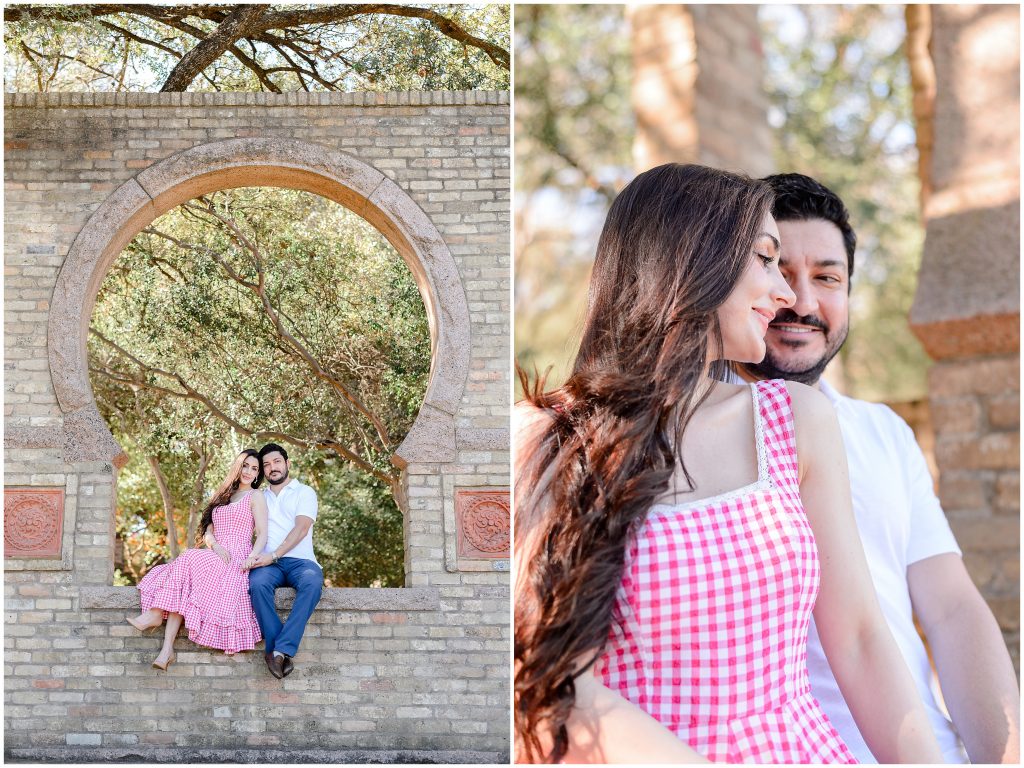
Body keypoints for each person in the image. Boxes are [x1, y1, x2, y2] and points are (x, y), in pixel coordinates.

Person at [514, 163, 944, 763]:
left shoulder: (795, 420)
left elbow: (861, 639)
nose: (787, 295)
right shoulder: (552, 440)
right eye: (766, 259)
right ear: (692, 260)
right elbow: (556, 685)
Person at [734, 172, 1020, 764]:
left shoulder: (883, 432)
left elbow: (951, 608)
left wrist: (1003, 754)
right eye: (780, 272)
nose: (804, 302)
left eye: (827, 278)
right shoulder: (680, 437)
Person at [127, 449, 268, 670]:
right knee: (184, 578)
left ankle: (155, 617)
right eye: (246, 466)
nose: (249, 472)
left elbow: (262, 533)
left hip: (236, 557)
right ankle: (166, 649)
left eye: (255, 468)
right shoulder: (223, 496)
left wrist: (252, 557)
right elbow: (208, 530)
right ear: (237, 466)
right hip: (215, 553)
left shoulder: (256, 496)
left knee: (187, 559)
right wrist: (215, 545)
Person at [246, 442, 323, 679]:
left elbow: (301, 529)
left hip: (301, 561)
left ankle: (278, 649)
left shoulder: (304, 492)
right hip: (269, 564)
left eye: (277, 461)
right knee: (257, 585)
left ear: (288, 463)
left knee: (312, 582)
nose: (272, 468)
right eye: (266, 465)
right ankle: (280, 652)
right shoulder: (258, 497)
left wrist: (275, 554)